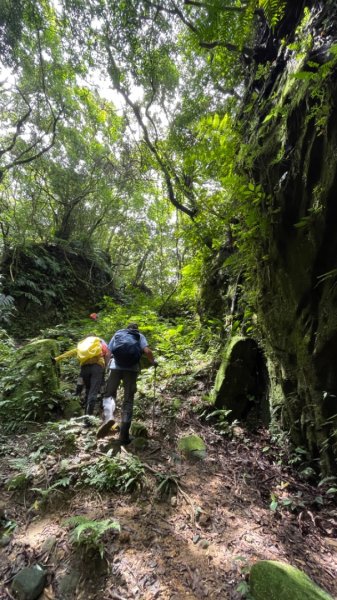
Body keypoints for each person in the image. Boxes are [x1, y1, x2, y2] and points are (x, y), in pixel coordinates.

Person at [97, 323, 157, 443]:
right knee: (128, 400)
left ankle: (109, 418)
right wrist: (153, 361)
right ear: (136, 329)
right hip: (132, 369)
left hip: (115, 367)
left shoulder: (118, 334)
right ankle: (124, 436)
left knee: (109, 394)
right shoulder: (139, 336)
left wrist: (107, 367)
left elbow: (108, 352)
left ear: (127, 328)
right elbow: (147, 351)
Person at [54, 334, 110, 418]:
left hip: (84, 368)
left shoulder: (84, 344)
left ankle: (85, 414)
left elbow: (72, 352)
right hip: (97, 367)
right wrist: (105, 368)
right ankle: (89, 418)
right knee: (93, 392)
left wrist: (57, 359)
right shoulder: (100, 342)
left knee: (88, 390)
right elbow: (107, 354)